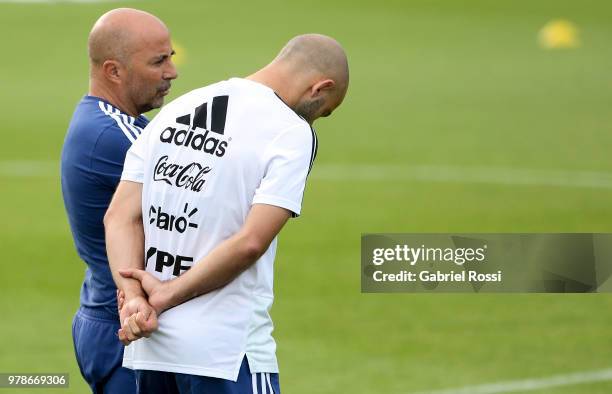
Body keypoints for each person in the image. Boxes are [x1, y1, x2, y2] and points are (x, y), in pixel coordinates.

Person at [104, 34, 349, 394]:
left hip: (153, 348)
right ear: (320, 87)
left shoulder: (179, 107)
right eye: (326, 109)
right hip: (227, 353)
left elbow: (120, 217)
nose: (318, 118)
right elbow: (251, 242)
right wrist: (165, 296)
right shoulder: (291, 132)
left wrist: (135, 298)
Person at [60, 8, 178, 393]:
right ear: (114, 71)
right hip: (128, 331)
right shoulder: (119, 137)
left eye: (171, 57)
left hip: (111, 319)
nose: (171, 72)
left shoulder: (112, 124)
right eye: (159, 61)